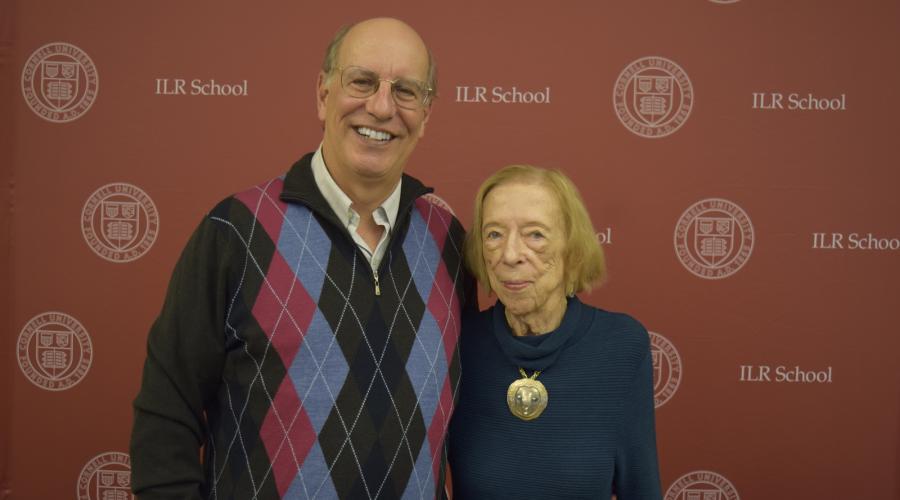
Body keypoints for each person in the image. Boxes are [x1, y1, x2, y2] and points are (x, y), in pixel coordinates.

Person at [130, 18, 472, 499]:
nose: (380, 107)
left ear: (427, 112)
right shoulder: (236, 232)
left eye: (406, 91)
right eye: (362, 81)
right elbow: (168, 412)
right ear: (322, 93)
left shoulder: (449, 243)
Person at [448, 165, 662, 499]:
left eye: (535, 235)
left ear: (572, 248)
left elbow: (642, 489)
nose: (510, 255)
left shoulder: (620, 345)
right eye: (494, 234)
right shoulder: (458, 340)